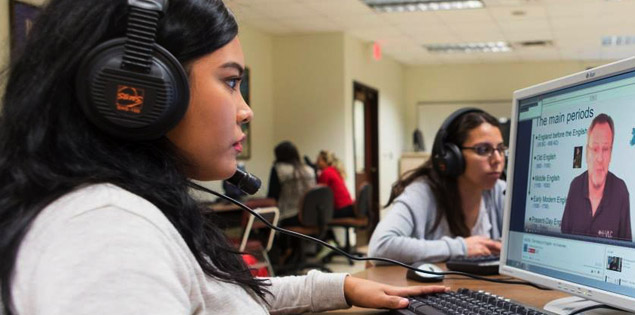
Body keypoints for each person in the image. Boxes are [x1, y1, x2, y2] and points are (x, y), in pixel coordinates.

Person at [0, 0, 448, 314]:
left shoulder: (121, 211)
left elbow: (214, 296)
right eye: (231, 82)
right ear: (139, 91)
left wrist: (339, 286)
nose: (246, 110)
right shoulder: (105, 232)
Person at [368, 109, 506, 264]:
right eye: (483, 149)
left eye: (500, 149)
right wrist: (462, 248)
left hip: (483, 287)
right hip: (435, 287)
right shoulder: (422, 192)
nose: (497, 159)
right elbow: (380, 247)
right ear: (452, 156)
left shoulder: (500, 191)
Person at [561, 114, 631, 241]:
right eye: (594, 149)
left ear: (611, 153)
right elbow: (562, 241)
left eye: (605, 149)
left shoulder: (621, 191)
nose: (599, 158)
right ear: (587, 152)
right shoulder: (575, 186)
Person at [266, 141, 316, 226]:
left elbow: (272, 196)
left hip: (289, 217)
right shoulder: (309, 170)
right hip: (311, 217)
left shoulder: (278, 169)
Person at [316, 150, 355, 218]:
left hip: (341, 210)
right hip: (348, 208)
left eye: (319, 160)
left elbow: (318, 193)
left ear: (326, 162)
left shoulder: (326, 172)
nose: (316, 163)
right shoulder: (334, 170)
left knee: (314, 215)